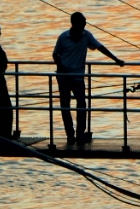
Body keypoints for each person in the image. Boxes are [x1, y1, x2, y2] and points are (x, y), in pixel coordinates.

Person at [52, 12, 124, 147]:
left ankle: (80, 134)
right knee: (65, 106)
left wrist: (116, 60)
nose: (85, 24)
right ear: (75, 23)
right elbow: (55, 54)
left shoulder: (86, 35)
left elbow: (100, 47)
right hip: (64, 77)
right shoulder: (63, 37)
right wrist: (61, 68)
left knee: (81, 105)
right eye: (83, 22)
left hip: (78, 77)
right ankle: (70, 135)